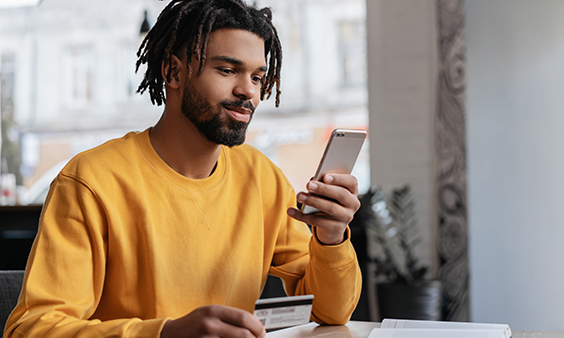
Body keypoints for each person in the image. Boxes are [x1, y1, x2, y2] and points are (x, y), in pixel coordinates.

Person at [3, 0, 362, 337]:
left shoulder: (261, 177)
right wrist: (165, 332)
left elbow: (330, 311)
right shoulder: (91, 180)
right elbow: (32, 328)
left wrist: (331, 238)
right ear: (174, 72)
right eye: (227, 70)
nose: (248, 92)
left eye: (256, 77)